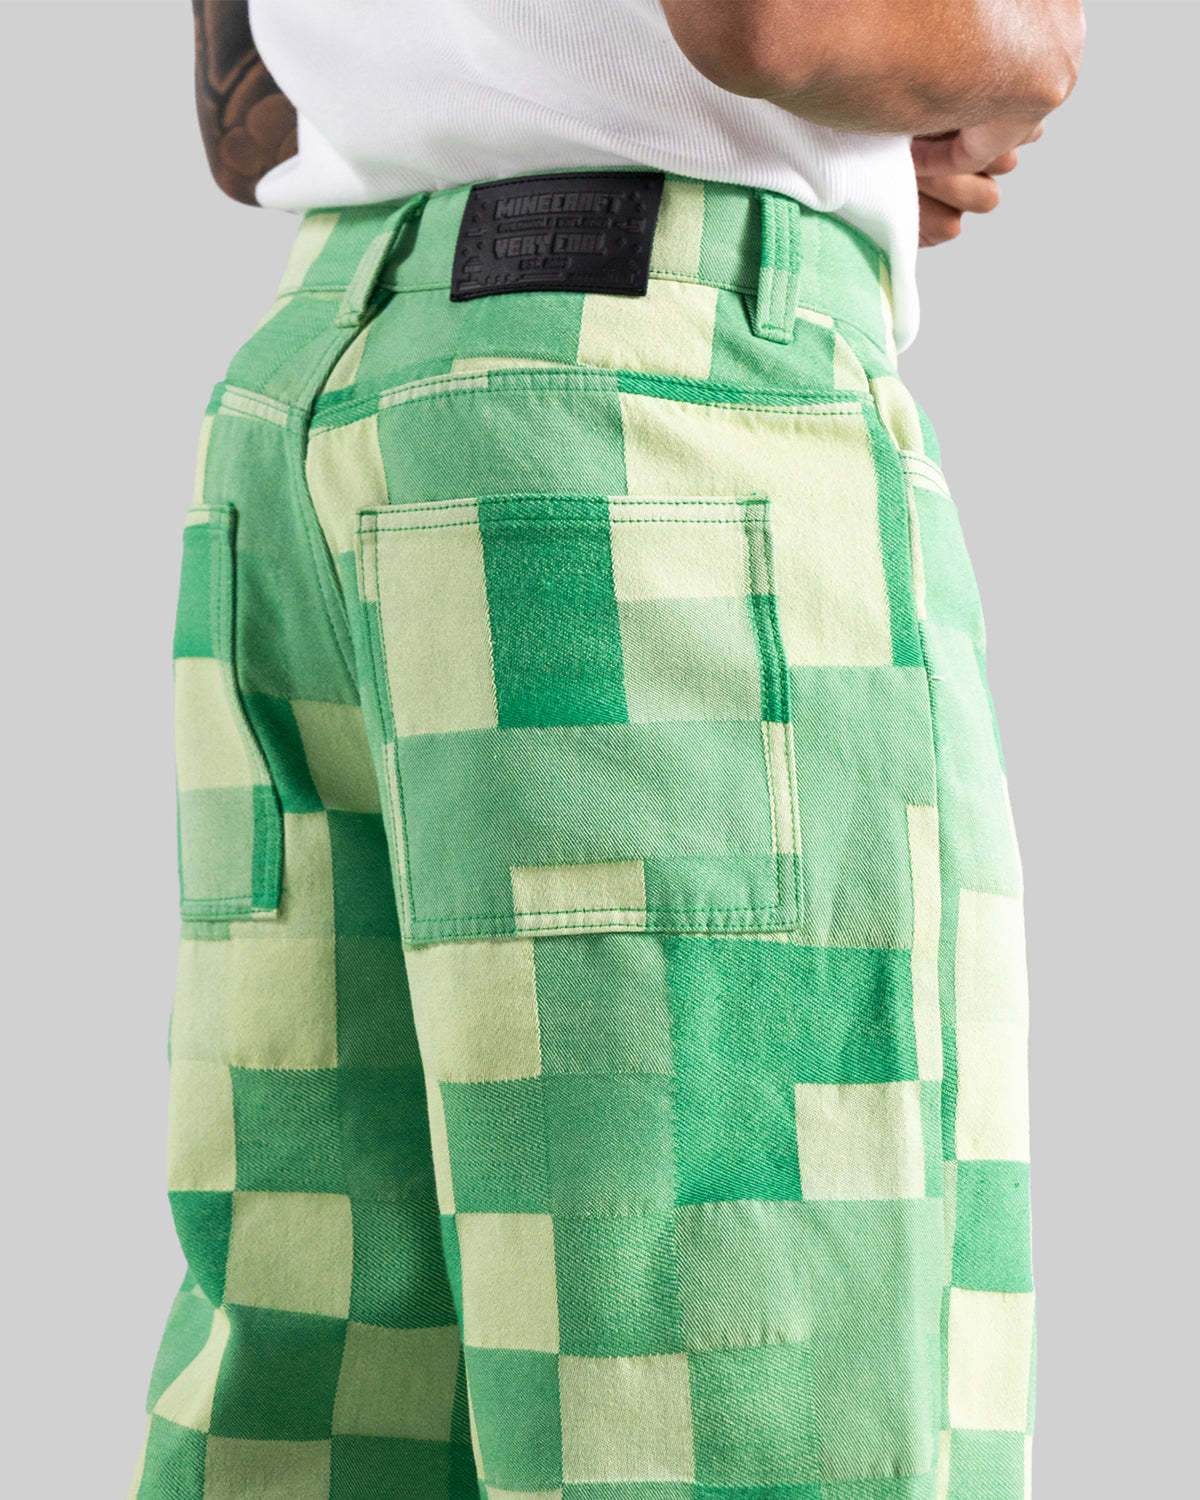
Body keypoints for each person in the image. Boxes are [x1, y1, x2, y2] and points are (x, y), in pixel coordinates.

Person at [128, 3, 1084, 1496]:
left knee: (335, 1398)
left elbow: (243, 108)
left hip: (332, 381)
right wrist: (1013, 51)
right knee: (734, 1402)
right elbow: (781, 23)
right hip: (645, 415)